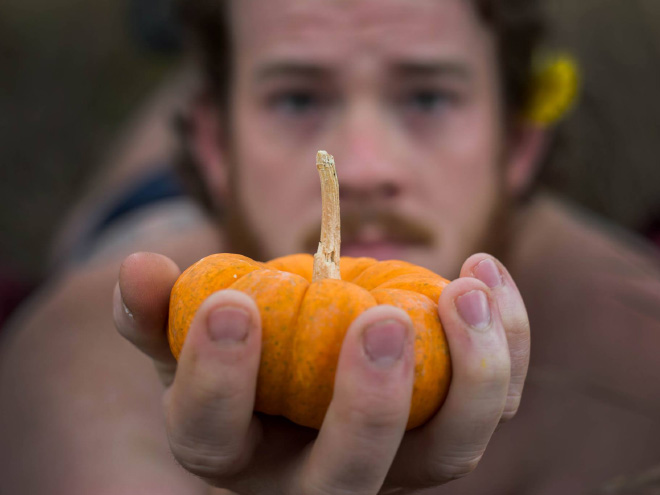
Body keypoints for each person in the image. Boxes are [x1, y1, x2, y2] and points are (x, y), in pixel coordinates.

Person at [1, 0, 660, 493]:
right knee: (139, 190)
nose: (361, 164)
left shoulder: (635, 352)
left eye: (428, 97)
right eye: (297, 99)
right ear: (216, 150)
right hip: (178, 210)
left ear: (518, 144)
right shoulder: (79, 359)